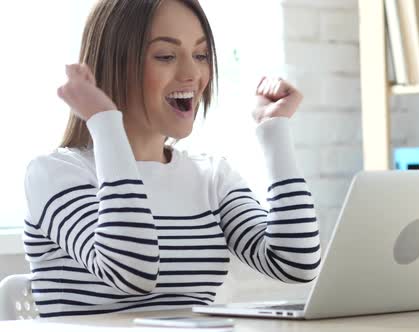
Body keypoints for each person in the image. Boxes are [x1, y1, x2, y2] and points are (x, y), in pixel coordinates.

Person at [23, 0, 320, 318]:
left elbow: (295, 264)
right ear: (114, 64)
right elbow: (129, 271)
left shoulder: (212, 177)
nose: (193, 74)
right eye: (166, 56)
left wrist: (273, 130)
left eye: (201, 55)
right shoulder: (55, 174)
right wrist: (105, 123)